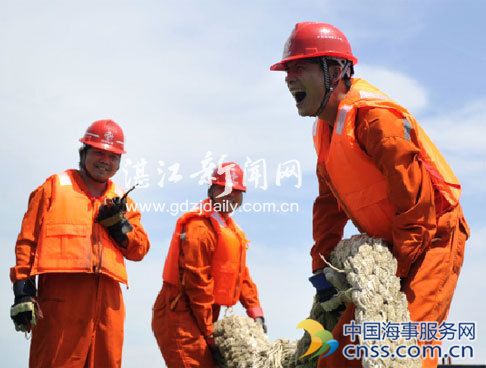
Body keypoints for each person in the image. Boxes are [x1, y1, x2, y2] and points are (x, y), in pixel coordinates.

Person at [270, 22, 469, 368]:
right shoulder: (326, 134)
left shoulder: (376, 121)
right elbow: (328, 207)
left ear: (335, 70)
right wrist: (323, 270)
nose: (289, 77)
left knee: (404, 350)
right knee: (337, 359)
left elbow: (416, 202)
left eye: (299, 67)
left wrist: (395, 270)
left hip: (432, 238)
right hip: (394, 245)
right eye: (287, 69)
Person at [9, 119, 150, 368]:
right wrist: (23, 293)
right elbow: (27, 241)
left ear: (119, 162)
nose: (105, 160)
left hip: (108, 303)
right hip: (62, 297)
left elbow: (139, 249)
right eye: (98, 152)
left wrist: (119, 228)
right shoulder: (54, 187)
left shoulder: (120, 200)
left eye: (112, 156)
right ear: (83, 152)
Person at [152, 162, 266, 367]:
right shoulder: (199, 228)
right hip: (179, 312)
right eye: (225, 189)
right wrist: (210, 332)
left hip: (204, 313)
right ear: (212, 191)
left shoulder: (230, 229)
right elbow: (197, 284)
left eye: (237, 191)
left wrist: (255, 311)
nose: (231, 195)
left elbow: (241, 274)